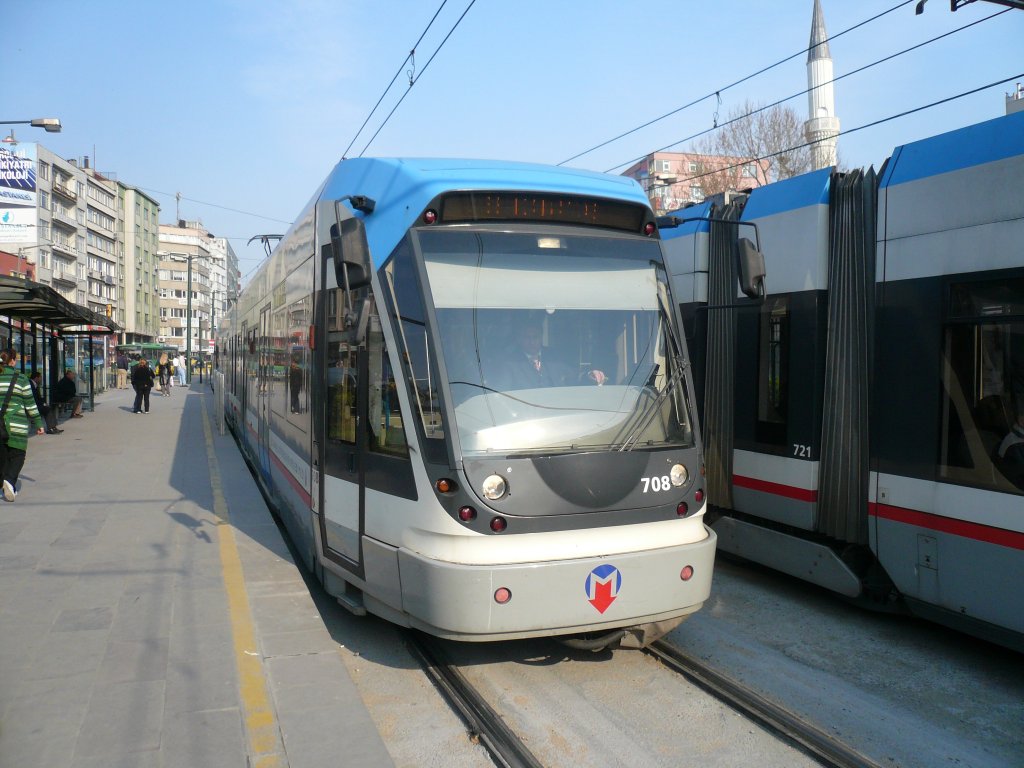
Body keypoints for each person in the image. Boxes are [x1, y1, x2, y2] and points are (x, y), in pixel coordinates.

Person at [496, 321, 606, 390]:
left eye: (535, 337)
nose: (532, 342)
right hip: (526, 417)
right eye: (527, 337)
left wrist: (590, 375)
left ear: (541, 337)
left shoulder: (554, 356)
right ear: (519, 339)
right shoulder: (509, 363)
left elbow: (574, 376)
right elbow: (503, 393)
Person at [0, 351, 44, 501]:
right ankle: (10, 481)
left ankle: (4, 482)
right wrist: (38, 423)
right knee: (18, 454)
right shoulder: (21, 379)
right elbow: (30, 404)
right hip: (16, 423)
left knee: (3, 454)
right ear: (12, 361)